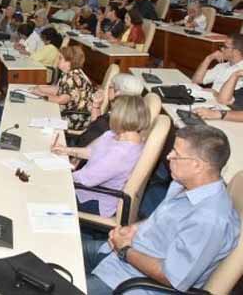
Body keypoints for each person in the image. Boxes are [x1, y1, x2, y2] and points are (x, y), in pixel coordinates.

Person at [83, 125, 240, 295]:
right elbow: (165, 220)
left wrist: (125, 251)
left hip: (133, 283)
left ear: (197, 165)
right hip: (122, 256)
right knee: (55, 251)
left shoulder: (209, 219)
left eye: (176, 154)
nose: (168, 156)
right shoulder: (183, 184)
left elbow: (171, 277)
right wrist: (134, 229)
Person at [52, 96, 150, 217]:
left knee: (46, 190)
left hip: (94, 199)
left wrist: (57, 175)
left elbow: (88, 179)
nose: (109, 114)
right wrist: (66, 150)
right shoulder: (116, 135)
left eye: (112, 111)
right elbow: (92, 152)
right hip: (87, 185)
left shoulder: (122, 153)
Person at [71, 73, 145, 148]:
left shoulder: (119, 118)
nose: (108, 89)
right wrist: (96, 105)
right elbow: (96, 126)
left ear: (117, 92)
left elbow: (97, 138)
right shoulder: (121, 111)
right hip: (81, 143)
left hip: (80, 149)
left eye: (110, 87)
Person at [32, 46, 94, 131]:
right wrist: (40, 87)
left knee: (40, 116)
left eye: (60, 58)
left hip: (76, 118)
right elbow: (59, 89)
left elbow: (61, 100)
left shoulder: (73, 78)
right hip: (69, 112)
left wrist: (42, 94)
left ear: (69, 62)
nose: (57, 60)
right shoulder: (69, 72)